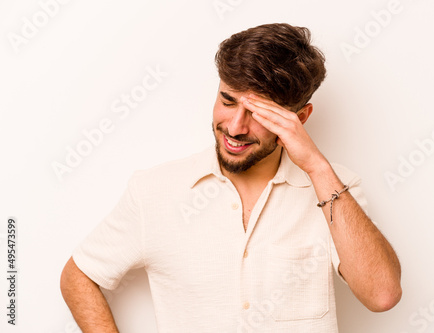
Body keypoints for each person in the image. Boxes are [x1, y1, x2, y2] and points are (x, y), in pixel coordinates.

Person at [60, 23, 402, 333]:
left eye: (260, 113)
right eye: (227, 100)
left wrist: (316, 167)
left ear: (300, 117)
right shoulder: (154, 191)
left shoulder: (336, 189)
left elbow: (382, 295)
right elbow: (80, 275)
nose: (236, 127)